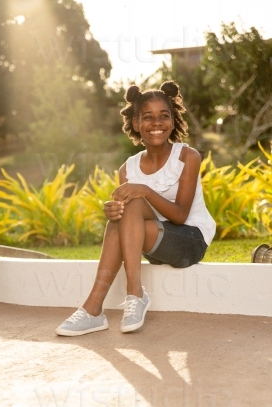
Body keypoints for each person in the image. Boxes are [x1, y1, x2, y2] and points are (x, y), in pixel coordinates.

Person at [55, 80, 216, 336]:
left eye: (164, 116)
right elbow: (129, 217)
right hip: (151, 245)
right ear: (136, 123)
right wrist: (113, 211)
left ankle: (119, 299)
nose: (156, 124)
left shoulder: (187, 156)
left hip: (190, 242)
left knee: (135, 199)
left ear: (173, 121)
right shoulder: (127, 168)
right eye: (148, 117)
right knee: (123, 211)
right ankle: (98, 310)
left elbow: (180, 215)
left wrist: (146, 191)